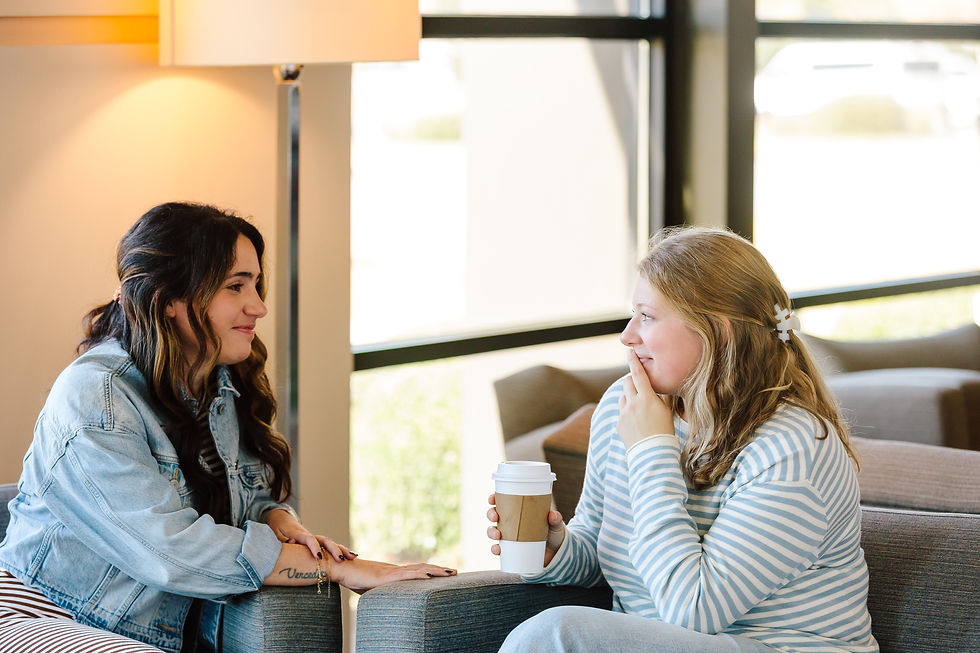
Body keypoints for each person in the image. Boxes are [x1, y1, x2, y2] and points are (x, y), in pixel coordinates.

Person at [0, 202, 455, 653]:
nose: (257, 307)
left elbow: (247, 495)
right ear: (170, 300)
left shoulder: (216, 381)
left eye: (255, 284)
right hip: (39, 612)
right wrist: (335, 569)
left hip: (131, 631)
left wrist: (278, 518)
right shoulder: (95, 396)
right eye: (236, 287)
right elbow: (167, 548)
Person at [487, 226, 878, 653]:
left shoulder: (794, 450)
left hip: (778, 647)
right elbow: (608, 552)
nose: (627, 335)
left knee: (555, 635)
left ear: (718, 332)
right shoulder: (625, 404)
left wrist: (651, 450)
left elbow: (692, 609)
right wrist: (556, 548)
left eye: (648, 316)